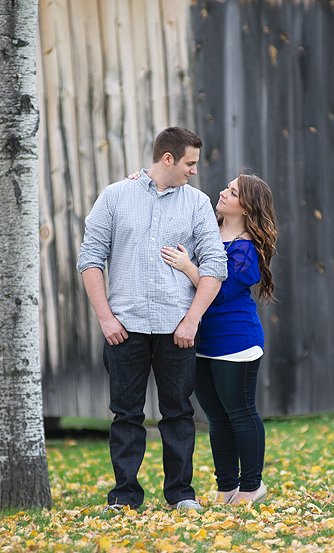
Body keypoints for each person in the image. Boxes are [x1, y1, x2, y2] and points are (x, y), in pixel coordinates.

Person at [77, 127, 227, 512]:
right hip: (124, 328)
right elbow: (90, 258)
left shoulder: (196, 203)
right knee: (126, 416)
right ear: (168, 159)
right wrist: (105, 318)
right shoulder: (115, 197)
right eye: (190, 163)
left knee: (178, 413)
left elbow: (215, 265)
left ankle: (181, 495)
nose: (194, 170)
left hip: (177, 328)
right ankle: (124, 497)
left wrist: (192, 319)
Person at [160, 171, 278, 506]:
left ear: (247, 206)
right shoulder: (207, 231)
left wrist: (187, 267)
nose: (223, 192)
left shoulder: (247, 249)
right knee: (216, 416)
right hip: (200, 339)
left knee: (240, 411)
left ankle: (252, 485)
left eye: (233, 191)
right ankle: (227, 487)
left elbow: (221, 293)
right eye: (226, 187)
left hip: (235, 340)